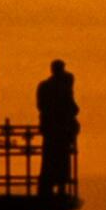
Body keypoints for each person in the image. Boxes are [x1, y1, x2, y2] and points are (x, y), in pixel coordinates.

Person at [35, 59, 80, 197]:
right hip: (61, 130)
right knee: (61, 160)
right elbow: (71, 106)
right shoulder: (62, 85)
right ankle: (59, 186)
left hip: (51, 130)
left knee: (49, 159)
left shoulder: (44, 86)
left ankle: (46, 187)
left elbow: (41, 106)